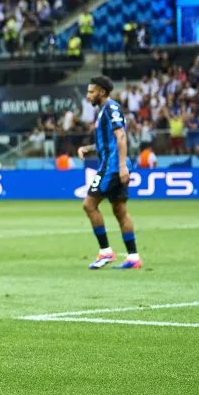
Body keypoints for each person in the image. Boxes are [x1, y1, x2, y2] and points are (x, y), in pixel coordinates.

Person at [76, 76, 141, 270]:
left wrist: (121, 166)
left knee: (89, 204)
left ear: (102, 92)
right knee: (120, 210)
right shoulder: (104, 111)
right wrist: (88, 148)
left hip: (111, 167)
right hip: (113, 164)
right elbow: (109, 142)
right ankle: (133, 257)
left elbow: (120, 136)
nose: (88, 96)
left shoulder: (111, 108)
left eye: (91, 92)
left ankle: (105, 252)